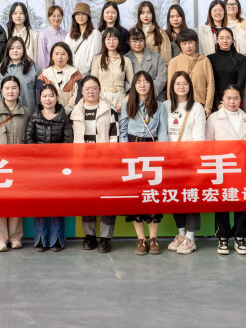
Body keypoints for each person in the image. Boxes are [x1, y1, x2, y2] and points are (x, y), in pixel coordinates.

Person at [119, 72, 169, 255]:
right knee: (136, 196)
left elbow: (163, 133)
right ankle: (141, 239)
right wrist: (126, 154)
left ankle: (153, 238)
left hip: (152, 151)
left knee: (152, 195)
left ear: (151, 85)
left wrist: (161, 155)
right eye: (138, 82)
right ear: (134, 85)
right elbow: (123, 132)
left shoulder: (160, 106)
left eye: (146, 81)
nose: (142, 85)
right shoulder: (128, 105)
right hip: (132, 151)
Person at [0, 76, 32, 252]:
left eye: (14, 88)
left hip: (19, 164)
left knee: (16, 201)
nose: (10, 91)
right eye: (7, 88)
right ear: (2, 91)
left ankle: (15, 237)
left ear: (19, 91)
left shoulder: (26, 112)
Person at [204, 84, 246, 255]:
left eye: (235, 98)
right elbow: (208, 143)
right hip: (222, 166)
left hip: (242, 166)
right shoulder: (214, 118)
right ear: (222, 99)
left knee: (242, 202)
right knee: (223, 202)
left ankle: (240, 237)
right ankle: (223, 237)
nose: (232, 101)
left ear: (240, 100)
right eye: (228, 98)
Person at [70, 76, 119, 253]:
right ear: (82, 91)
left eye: (94, 88)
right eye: (87, 88)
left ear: (99, 90)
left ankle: (106, 238)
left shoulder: (109, 110)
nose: (91, 91)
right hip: (83, 163)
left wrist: (110, 159)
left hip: (104, 162)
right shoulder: (74, 112)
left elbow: (114, 136)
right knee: (87, 200)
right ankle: (89, 236)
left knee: (107, 199)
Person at [25, 84, 74, 252]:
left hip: (58, 167)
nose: (48, 99)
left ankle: (57, 239)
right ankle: (40, 239)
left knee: (56, 202)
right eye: (44, 96)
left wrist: (56, 158)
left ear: (56, 98)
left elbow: (67, 141)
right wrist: (40, 156)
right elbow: (28, 140)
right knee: (39, 202)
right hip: (37, 167)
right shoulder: (34, 117)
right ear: (40, 98)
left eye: (51, 96)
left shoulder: (63, 117)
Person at [165, 71, 207, 255]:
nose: (181, 87)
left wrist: (193, 158)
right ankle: (181, 233)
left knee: (190, 197)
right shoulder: (165, 106)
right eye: (177, 84)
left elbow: (199, 137)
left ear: (190, 86)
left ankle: (191, 236)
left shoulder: (196, 107)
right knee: (175, 197)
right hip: (170, 160)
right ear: (172, 86)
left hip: (189, 160)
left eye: (185, 83)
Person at [166, 29, 214, 112]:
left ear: (196, 42)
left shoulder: (204, 60)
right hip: (179, 105)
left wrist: (208, 106)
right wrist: (171, 104)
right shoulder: (174, 62)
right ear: (179, 45)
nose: (188, 46)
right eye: (184, 43)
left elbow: (210, 84)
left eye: (190, 42)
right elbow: (170, 85)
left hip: (200, 104)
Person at [91, 28, 134, 111]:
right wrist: (105, 101)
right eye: (108, 39)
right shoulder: (97, 59)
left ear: (119, 41)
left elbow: (133, 84)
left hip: (121, 99)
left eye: (115, 39)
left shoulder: (126, 60)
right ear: (103, 41)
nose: (111, 42)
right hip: (102, 98)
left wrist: (124, 103)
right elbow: (93, 83)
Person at [0, 36, 38, 111]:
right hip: (6, 114)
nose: (15, 51)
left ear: (24, 50)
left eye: (19, 48)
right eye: (12, 48)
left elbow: (40, 94)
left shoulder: (34, 68)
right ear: (7, 50)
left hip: (30, 114)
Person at [207, 27, 246, 111]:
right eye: (221, 38)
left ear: (232, 40)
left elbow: (241, 83)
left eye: (228, 38)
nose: (224, 41)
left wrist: (230, 100)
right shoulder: (210, 58)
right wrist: (218, 103)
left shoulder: (240, 58)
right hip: (216, 103)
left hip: (234, 102)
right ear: (217, 40)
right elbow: (210, 83)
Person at [127, 27, 167, 102]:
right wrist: (136, 92)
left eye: (140, 40)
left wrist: (151, 93)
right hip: (134, 99)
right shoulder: (125, 59)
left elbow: (161, 78)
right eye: (134, 41)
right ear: (128, 42)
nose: (138, 44)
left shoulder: (156, 57)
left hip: (155, 98)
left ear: (144, 41)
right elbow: (122, 80)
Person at [65, 2, 101, 75]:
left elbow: (94, 57)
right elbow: (66, 55)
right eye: (77, 14)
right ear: (74, 17)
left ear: (88, 16)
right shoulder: (69, 35)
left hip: (87, 75)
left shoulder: (95, 34)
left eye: (83, 14)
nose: (80, 17)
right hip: (70, 75)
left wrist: (81, 72)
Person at [36, 5, 67, 71]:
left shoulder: (66, 34)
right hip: (49, 72)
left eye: (59, 16)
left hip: (65, 71)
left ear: (62, 17)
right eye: (53, 16)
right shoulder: (43, 34)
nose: (56, 18)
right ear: (49, 17)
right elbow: (41, 57)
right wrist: (44, 73)